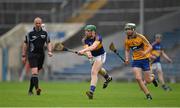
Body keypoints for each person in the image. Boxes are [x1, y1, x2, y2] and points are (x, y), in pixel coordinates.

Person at [124, 23, 158, 100]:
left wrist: (145, 53)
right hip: (136, 61)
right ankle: (148, 94)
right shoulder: (127, 40)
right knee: (138, 78)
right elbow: (127, 50)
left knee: (148, 80)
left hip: (145, 60)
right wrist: (126, 59)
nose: (127, 31)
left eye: (128, 29)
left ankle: (152, 78)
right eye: (126, 29)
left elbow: (150, 46)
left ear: (133, 29)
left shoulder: (141, 37)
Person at [78, 25, 112, 99]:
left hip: (101, 55)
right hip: (93, 56)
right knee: (99, 70)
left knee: (94, 72)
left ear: (93, 31)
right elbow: (87, 49)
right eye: (85, 31)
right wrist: (88, 54)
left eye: (88, 31)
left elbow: (93, 47)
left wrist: (82, 51)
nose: (86, 32)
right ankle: (108, 78)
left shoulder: (98, 37)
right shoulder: (84, 40)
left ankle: (91, 92)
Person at [22, 17, 53, 95]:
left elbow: (48, 42)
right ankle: (37, 89)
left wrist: (49, 51)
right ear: (34, 23)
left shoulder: (45, 33)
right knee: (35, 72)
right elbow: (25, 44)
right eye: (36, 23)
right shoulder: (30, 34)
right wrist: (23, 55)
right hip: (32, 54)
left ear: (41, 23)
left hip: (41, 55)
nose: (38, 25)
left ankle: (30, 91)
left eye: (39, 23)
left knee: (35, 74)